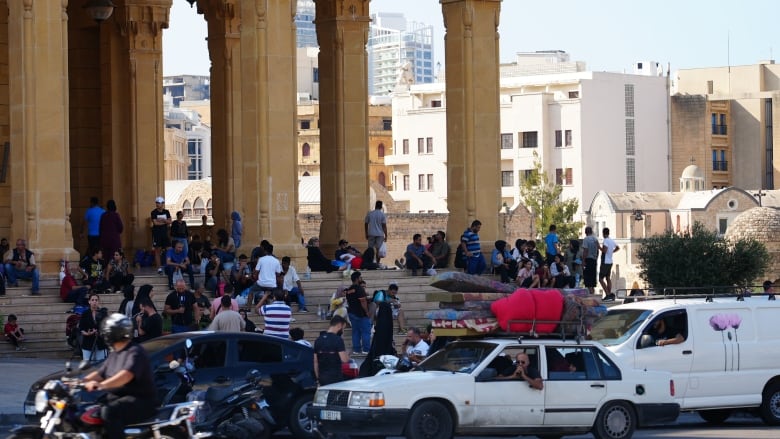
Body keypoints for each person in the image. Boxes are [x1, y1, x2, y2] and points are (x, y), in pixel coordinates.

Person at [83, 313, 157, 439]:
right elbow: (101, 373)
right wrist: (81, 381)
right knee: (89, 409)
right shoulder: (115, 353)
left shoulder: (134, 351)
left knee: (109, 411)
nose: (105, 335)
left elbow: (126, 375)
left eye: (107, 332)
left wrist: (101, 385)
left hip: (140, 400)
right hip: (119, 398)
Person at [313, 315, 350, 386]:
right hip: (335, 377)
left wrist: (317, 378)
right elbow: (344, 360)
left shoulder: (318, 340)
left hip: (322, 377)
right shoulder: (338, 340)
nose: (342, 331)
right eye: (343, 328)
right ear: (339, 325)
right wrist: (347, 354)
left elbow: (315, 361)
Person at [345, 271, 371, 354]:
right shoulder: (360, 288)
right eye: (360, 277)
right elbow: (363, 301)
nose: (361, 279)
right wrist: (367, 311)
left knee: (355, 332)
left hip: (352, 313)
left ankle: (356, 349)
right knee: (366, 331)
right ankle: (366, 349)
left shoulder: (349, 289)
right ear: (357, 279)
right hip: (361, 313)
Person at [79, 293, 108, 362]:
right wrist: (87, 333)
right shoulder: (85, 313)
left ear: (98, 302)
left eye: (96, 300)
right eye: (92, 300)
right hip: (88, 342)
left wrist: (102, 333)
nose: (94, 302)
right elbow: (81, 328)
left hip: (100, 343)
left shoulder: (103, 313)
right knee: (87, 364)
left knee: (101, 363)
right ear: (89, 302)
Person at [151, 197, 172, 275]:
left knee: (169, 249)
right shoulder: (153, 212)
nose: (157, 204)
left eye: (159, 203)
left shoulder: (166, 212)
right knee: (157, 251)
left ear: (163, 203)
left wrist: (163, 220)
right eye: (156, 202)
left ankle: (169, 265)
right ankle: (159, 268)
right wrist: (165, 222)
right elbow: (155, 223)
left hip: (165, 234)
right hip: (157, 234)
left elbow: (170, 221)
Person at [364, 200, 388, 266]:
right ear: (381, 207)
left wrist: (366, 233)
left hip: (371, 233)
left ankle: (370, 262)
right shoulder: (382, 214)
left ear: (375, 206)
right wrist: (386, 235)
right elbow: (384, 226)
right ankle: (377, 263)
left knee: (370, 249)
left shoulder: (370, 213)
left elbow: (366, 223)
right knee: (378, 250)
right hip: (380, 234)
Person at [599, 227, 620, 301]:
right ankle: (609, 294)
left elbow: (604, 251)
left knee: (600, 279)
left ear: (603, 233)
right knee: (608, 277)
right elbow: (618, 247)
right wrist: (612, 252)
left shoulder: (605, 241)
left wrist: (599, 247)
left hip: (605, 262)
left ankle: (607, 294)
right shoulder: (611, 241)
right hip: (610, 261)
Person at [582, 226, 600, 295]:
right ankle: (593, 291)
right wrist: (596, 257)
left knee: (587, 277)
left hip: (588, 260)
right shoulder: (595, 239)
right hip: (594, 260)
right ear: (591, 232)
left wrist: (583, 261)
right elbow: (598, 249)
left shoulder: (586, 239)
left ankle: (590, 292)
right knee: (593, 276)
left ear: (585, 232)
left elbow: (585, 250)